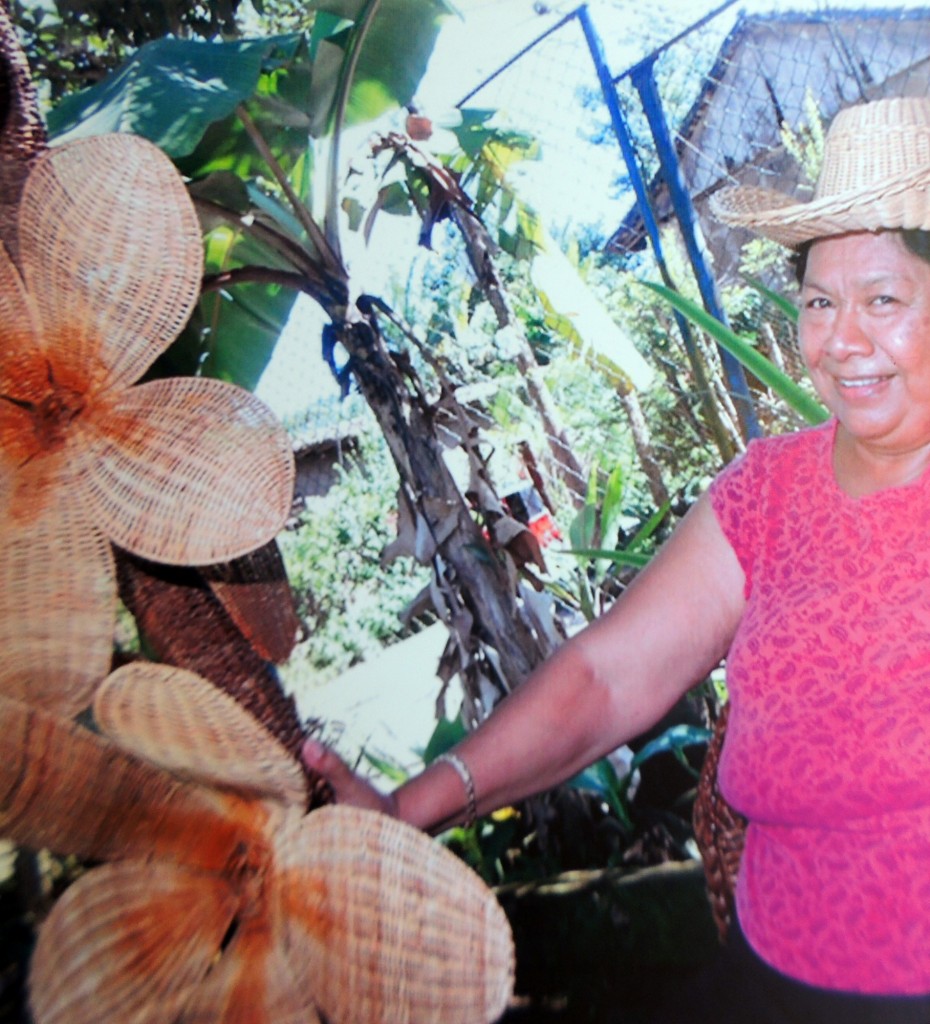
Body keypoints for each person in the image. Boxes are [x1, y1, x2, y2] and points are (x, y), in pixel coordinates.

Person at [303, 96, 930, 1021]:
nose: (841, 341)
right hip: (764, 973)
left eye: (884, 299)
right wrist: (405, 811)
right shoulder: (768, 490)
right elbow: (606, 679)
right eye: (819, 303)